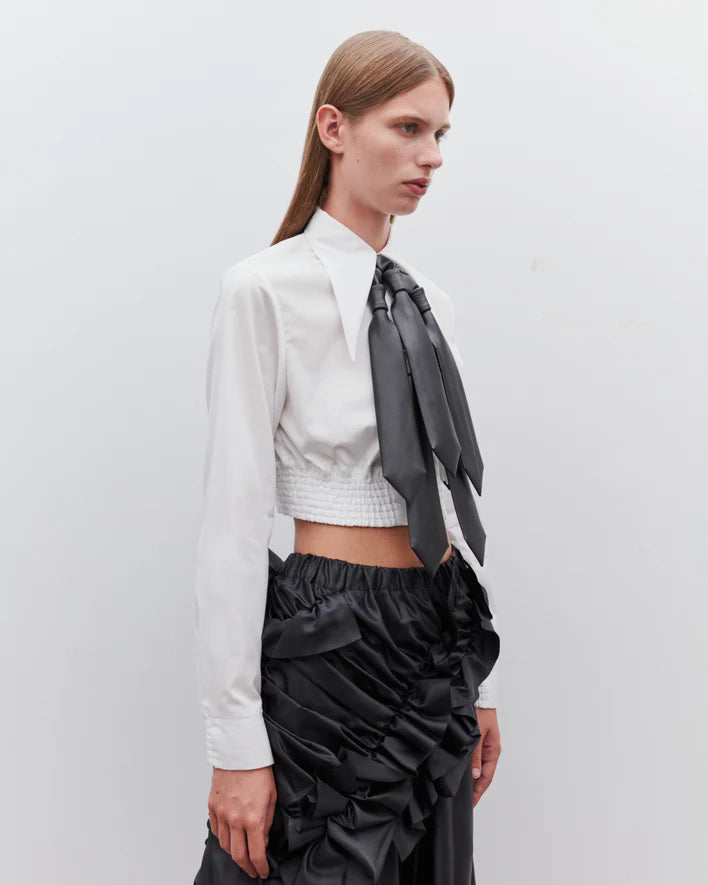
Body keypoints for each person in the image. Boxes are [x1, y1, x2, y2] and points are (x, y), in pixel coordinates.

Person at [193, 29, 502, 885]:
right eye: (408, 128)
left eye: (440, 134)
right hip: (332, 638)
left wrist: (479, 684)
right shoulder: (262, 290)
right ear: (333, 127)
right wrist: (235, 744)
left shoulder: (429, 302)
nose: (431, 156)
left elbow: (447, 493)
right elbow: (231, 520)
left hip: (438, 635)